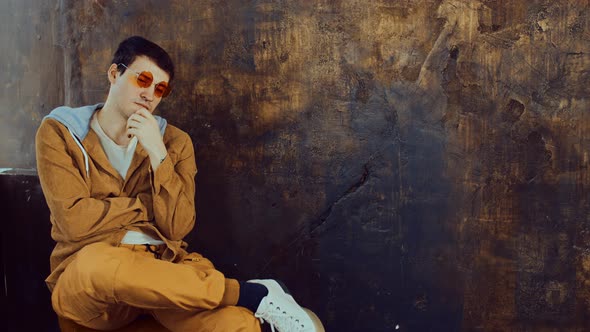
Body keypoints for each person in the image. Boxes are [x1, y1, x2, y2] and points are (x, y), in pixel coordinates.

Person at [35, 35, 324, 332]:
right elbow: (74, 223)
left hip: (164, 273)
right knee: (95, 263)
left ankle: (256, 304)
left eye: (160, 88)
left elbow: (176, 227)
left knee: (236, 324)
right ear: (114, 74)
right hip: (91, 289)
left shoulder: (175, 142)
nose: (150, 93)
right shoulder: (60, 132)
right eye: (142, 79)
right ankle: (251, 294)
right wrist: (147, 208)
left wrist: (159, 154)